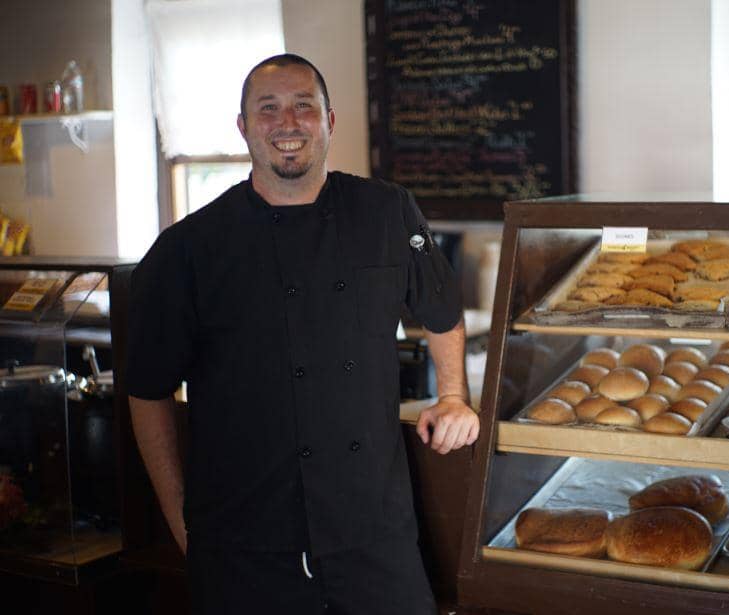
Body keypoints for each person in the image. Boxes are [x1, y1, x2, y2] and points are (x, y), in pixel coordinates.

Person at [127, 53, 480, 615]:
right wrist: (183, 525)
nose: (287, 123)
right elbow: (147, 391)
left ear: (329, 121)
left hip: (374, 536)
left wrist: (454, 395)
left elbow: (440, 308)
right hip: (245, 544)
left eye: (303, 107)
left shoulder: (386, 211)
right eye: (268, 109)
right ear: (243, 127)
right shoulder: (188, 249)